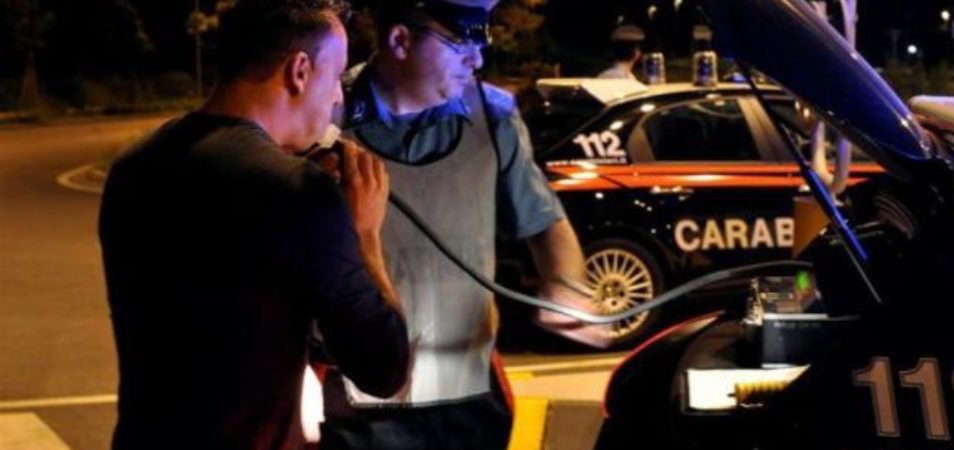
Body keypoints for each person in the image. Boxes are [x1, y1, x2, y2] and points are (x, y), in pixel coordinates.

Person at [98, 1, 410, 449]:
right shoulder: (299, 192)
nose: (338, 98)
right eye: (336, 77)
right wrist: (364, 233)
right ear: (299, 71)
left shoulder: (133, 167)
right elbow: (383, 368)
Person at [318, 1, 611, 449]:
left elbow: (542, 220)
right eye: (461, 41)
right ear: (400, 40)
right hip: (360, 403)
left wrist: (567, 285)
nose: (477, 59)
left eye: (483, 38)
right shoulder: (325, 114)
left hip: (467, 398)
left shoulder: (494, 116)